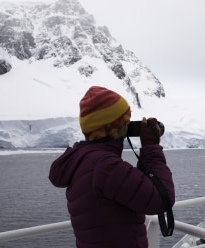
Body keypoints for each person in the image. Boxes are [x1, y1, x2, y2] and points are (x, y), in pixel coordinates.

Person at [49, 86, 175, 248]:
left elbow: (135, 191)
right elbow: (161, 200)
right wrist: (150, 147)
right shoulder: (105, 166)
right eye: (126, 121)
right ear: (113, 127)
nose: (128, 126)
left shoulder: (82, 160)